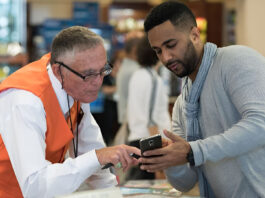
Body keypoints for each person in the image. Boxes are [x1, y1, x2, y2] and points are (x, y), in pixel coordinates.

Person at [138, 1, 265, 198]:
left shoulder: (235, 59)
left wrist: (194, 150)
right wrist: (171, 160)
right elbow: (186, 183)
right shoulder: (183, 103)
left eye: (171, 45)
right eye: (158, 51)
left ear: (195, 35)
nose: (166, 57)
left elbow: (261, 123)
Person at [0, 26, 140, 198]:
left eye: (103, 70)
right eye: (89, 74)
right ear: (59, 71)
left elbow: (91, 149)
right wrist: (97, 157)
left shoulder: (77, 85)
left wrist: (112, 192)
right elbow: (34, 185)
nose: (98, 82)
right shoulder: (26, 100)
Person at [126, 35, 171, 180]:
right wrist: (157, 154)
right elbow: (151, 119)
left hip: (137, 138)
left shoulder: (137, 75)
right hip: (149, 142)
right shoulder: (153, 78)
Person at [116, 31, 143, 125]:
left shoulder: (127, 67)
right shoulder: (135, 71)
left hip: (129, 122)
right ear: (135, 49)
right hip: (133, 124)